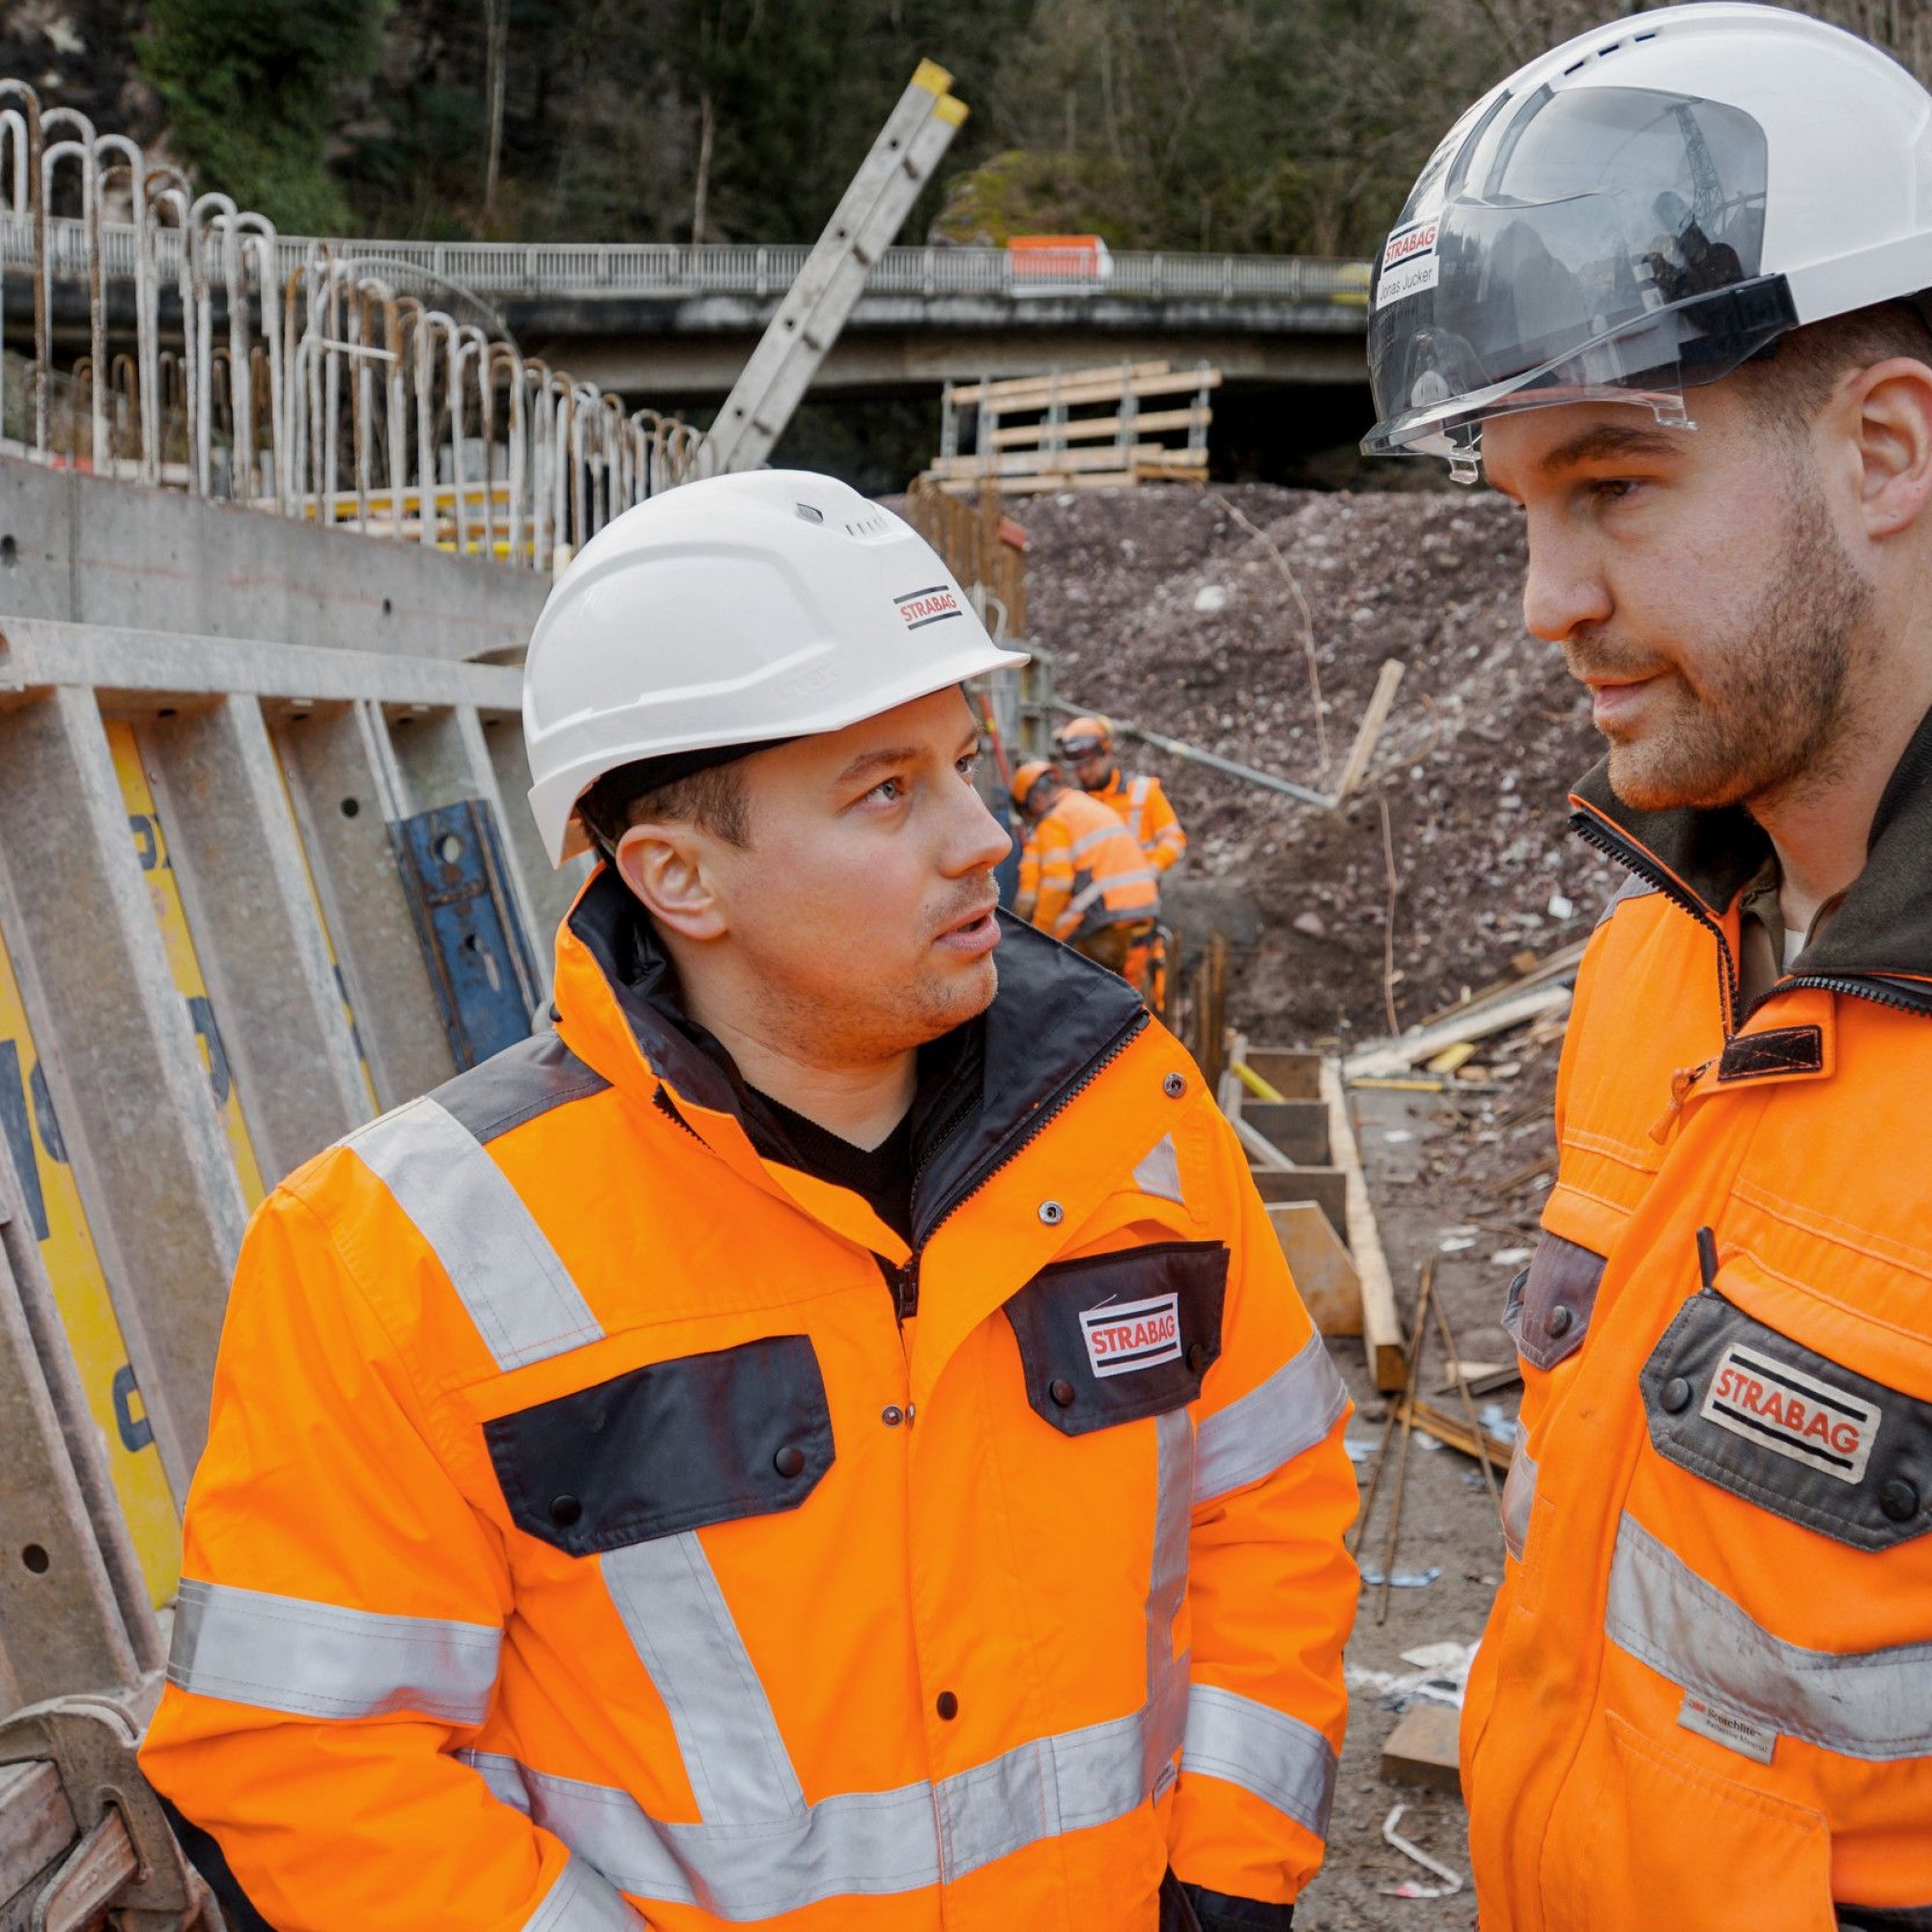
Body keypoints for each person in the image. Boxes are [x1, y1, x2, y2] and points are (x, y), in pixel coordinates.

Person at [139, 470, 1358, 1932]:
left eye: (966, 764)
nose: (982, 837)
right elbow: (299, 1750)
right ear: (677, 876)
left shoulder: (1139, 1129)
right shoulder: (396, 1252)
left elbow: (1266, 1504)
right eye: (887, 791)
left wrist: (1229, 1875)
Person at [1362, 8, 1932, 1926]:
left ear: (1882, 449)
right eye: (1521, 507)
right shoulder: (1655, 969)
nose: (1545, 605)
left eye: (1611, 485)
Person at [1009, 758, 1159, 980]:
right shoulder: (1084, 805)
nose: (1035, 825)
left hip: (1107, 918)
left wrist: (1040, 937)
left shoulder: (1055, 820)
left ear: (1038, 801)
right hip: (1140, 910)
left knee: (1066, 979)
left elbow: (1057, 884)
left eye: (1031, 818)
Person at [1055, 715, 1189, 879]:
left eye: (1090, 764)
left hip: (1140, 895)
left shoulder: (1144, 792)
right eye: (1078, 767)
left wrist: (1153, 868)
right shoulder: (1073, 805)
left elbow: (1174, 838)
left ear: (1106, 752)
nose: (1084, 772)